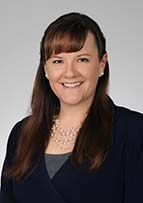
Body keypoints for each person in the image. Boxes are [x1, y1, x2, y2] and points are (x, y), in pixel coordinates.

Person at [0, 12, 143, 203]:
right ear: (45, 69)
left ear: (102, 63)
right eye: (58, 61)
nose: (70, 73)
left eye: (82, 59)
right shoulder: (22, 134)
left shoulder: (132, 130)